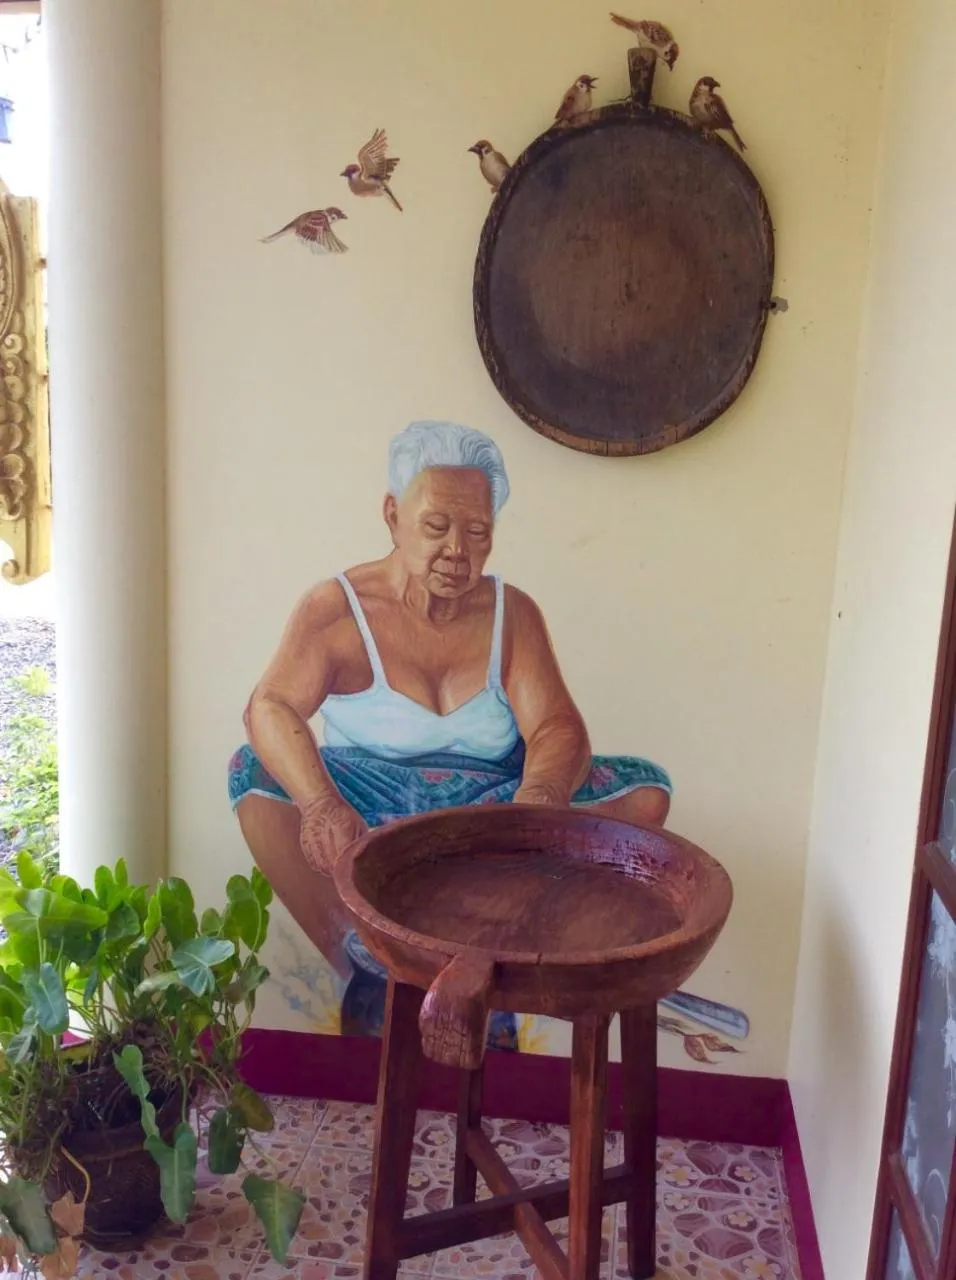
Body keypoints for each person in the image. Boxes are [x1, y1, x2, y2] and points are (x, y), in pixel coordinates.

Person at [229, 421, 672, 1040]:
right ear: (392, 515)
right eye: (436, 527)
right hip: (366, 814)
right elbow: (270, 706)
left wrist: (537, 800)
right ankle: (366, 956)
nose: (457, 551)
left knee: (645, 792)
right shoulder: (336, 609)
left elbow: (557, 727)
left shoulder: (511, 613)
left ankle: (497, 954)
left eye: (478, 532)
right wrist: (320, 803)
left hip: (483, 823)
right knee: (254, 776)